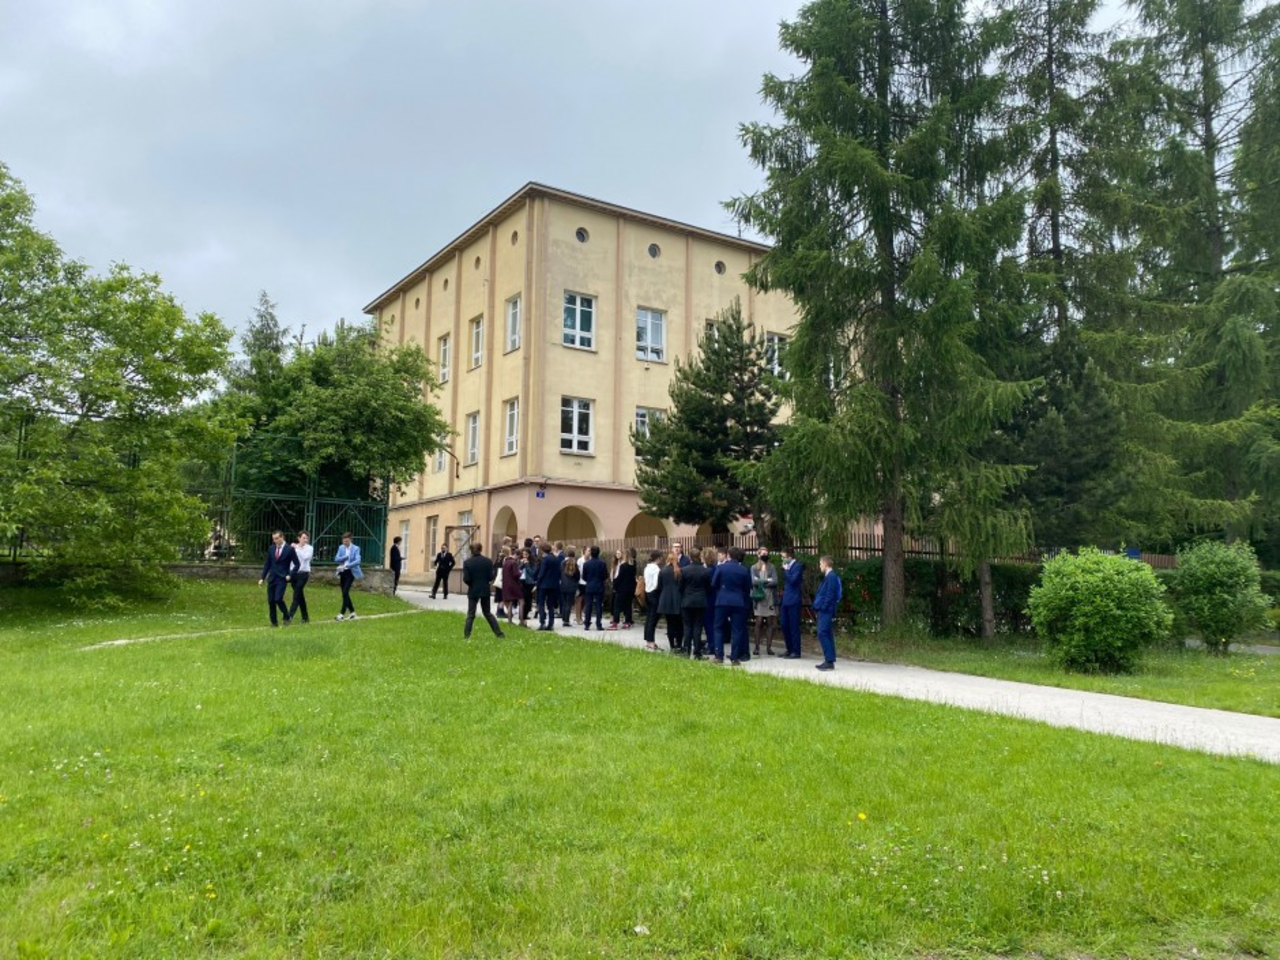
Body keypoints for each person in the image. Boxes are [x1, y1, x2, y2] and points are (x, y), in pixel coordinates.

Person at [710, 546, 752, 665]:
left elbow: (714, 583)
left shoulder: (721, 568)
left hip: (722, 600)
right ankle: (735, 656)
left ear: (728, 555)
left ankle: (719, 656)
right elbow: (747, 587)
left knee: (718, 628)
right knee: (737, 630)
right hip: (738, 601)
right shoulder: (743, 570)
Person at [461, 544, 506, 638]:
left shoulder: (467, 562)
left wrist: (471, 584)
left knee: (471, 614)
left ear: (471, 550)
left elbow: (466, 579)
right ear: (481, 549)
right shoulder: (488, 561)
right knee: (487, 613)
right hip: (485, 589)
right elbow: (491, 576)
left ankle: (466, 635)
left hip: (473, 589)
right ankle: (499, 633)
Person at [258, 530, 300, 627]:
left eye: (277, 538)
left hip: (282, 578)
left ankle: (287, 616)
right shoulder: (271, 548)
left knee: (278, 599)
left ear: (282, 537)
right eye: (273, 539)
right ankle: (273, 622)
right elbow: (267, 564)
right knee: (271, 601)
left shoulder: (289, 549)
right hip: (272, 577)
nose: (275, 541)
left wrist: (290, 574)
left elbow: (297, 564)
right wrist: (262, 578)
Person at [680, 546, 711, 658]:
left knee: (687, 626)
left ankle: (686, 650)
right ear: (699, 557)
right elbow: (708, 587)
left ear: (690, 557)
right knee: (698, 627)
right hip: (700, 601)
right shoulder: (705, 571)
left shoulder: (684, 570)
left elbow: (680, 587)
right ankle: (697, 652)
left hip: (687, 600)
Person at [813, 555, 843, 671]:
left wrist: (823, 607)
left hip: (826, 610)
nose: (820, 566)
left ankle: (829, 660)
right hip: (825, 609)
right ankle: (830, 659)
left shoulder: (831, 577)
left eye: (820, 564)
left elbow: (830, 594)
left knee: (822, 633)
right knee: (827, 633)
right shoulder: (829, 576)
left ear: (825, 564)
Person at [655, 547, 684, 651]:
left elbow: (659, 587)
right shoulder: (680, 571)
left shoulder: (663, 571)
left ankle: (672, 645)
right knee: (679, 624)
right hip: (678, 599)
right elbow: (682, 586)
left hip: (666, 599)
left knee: (670, 624)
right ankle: (679, 644)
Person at [751, 548, 779, 656]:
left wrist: (761, 582)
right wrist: (767, 581)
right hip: (759, 597)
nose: (765, 555)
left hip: (770, 597)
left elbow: (775, 581)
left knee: (770, 622)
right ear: (758, 555)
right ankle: (757, 647)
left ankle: (769, 647)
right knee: (758, 621)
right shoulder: (754, 567)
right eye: (763, 553)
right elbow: (754, 582)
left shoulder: (772, 567)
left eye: (766, 553)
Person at [779, 547, 804, 659]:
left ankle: (796, 651)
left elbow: (793, 581)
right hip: (786, 599)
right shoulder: (788, 567)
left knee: (794, 626)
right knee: (784, 624)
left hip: (794, 599)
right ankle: (789, 649)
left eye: (783, 557)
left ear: (789, 557)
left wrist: (786, 570)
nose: (782, 559)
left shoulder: (797, 566)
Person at [287, 530, 314, 624]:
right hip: (294, 574)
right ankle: (305, 617)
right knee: (299, 596)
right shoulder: (293, 547)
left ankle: (289, 616)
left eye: (307, 538)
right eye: (303, 538)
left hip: (303, 574)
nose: (305, 540)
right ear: (299, 538)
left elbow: (305, 557)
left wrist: (297, 549)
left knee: (296, 595)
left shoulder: (309, 548)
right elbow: (290, 560)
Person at [334, 532, 363, 621]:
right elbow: (336, 559)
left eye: (346, 541)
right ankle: (352, 612)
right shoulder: (341, 548)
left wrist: (348, 565)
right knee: (344, 593)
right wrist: (345, 557)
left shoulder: (356, 548)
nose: (345, 543)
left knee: (345, 591)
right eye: (343, 541)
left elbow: (358, 561)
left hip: (351, 572)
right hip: (343, 572)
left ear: (350, 540)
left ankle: (341, 614)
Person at [535, 543, 561, 630]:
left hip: (544, 584)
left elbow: (542, 573)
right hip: (553, 584)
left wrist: (538, 583)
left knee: (541, 604)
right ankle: (551, 623)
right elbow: (559, 572)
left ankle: (542, 622)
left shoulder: (545, 559)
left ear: (542, 550)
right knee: (551, 605)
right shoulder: (556, 559)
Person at [641, 550, 664, 651]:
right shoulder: (656, 569)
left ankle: (648, 640)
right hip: (654, 594)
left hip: (648, 593)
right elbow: (656, 583)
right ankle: (651, 641)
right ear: (658, 558)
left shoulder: (647, 567)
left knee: (649, 618)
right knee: (653, 619)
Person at [581, 545, 608, 630]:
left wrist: (589, 580)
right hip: (599, 585)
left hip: (589, 586)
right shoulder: (602, 563)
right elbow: (605, 575)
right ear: (599, 553)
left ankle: (587, 624)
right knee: (599, 605)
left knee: (588, 605)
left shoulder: (586, 564)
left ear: (591, 553)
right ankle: (598, 624)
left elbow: (584, 576)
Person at [609, 548, 636, 629]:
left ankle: (615, 623)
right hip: (630, 589)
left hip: (621, 589)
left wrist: (615, 585)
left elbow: (619, 578)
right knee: (628, 606)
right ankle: (627, 622)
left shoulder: (623, 566)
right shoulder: (632, 566)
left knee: (617, 605)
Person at [501, 545, 524, 622]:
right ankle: (521, 620)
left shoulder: (505, 562)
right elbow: (516, 574)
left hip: (506, 584)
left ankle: (510, 620)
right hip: (514, 584)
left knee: (510, 602)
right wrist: (521, 572)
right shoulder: (513, 562)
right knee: (521, 601)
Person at [559, 547, 580, 626]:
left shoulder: (562, 563)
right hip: (571, 586)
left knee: (564, 603)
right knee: (569, 604)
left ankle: (564, 618)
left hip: (563, 585)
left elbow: (560, 572)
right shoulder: (575, 564)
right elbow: (577, 576)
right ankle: (566, 620)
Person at [518, 547, 536, 624]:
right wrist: (522, 564)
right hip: (521, 581)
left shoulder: (532, 562)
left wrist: (527, 565)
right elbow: (518, 570)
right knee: (522, 599)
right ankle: (522, 615)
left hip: (529, 582)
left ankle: (525, 613)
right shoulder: (519, 561)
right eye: (523, 554)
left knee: (528, 599)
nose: (524, 556)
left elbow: (532, 573)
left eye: (526, 554)